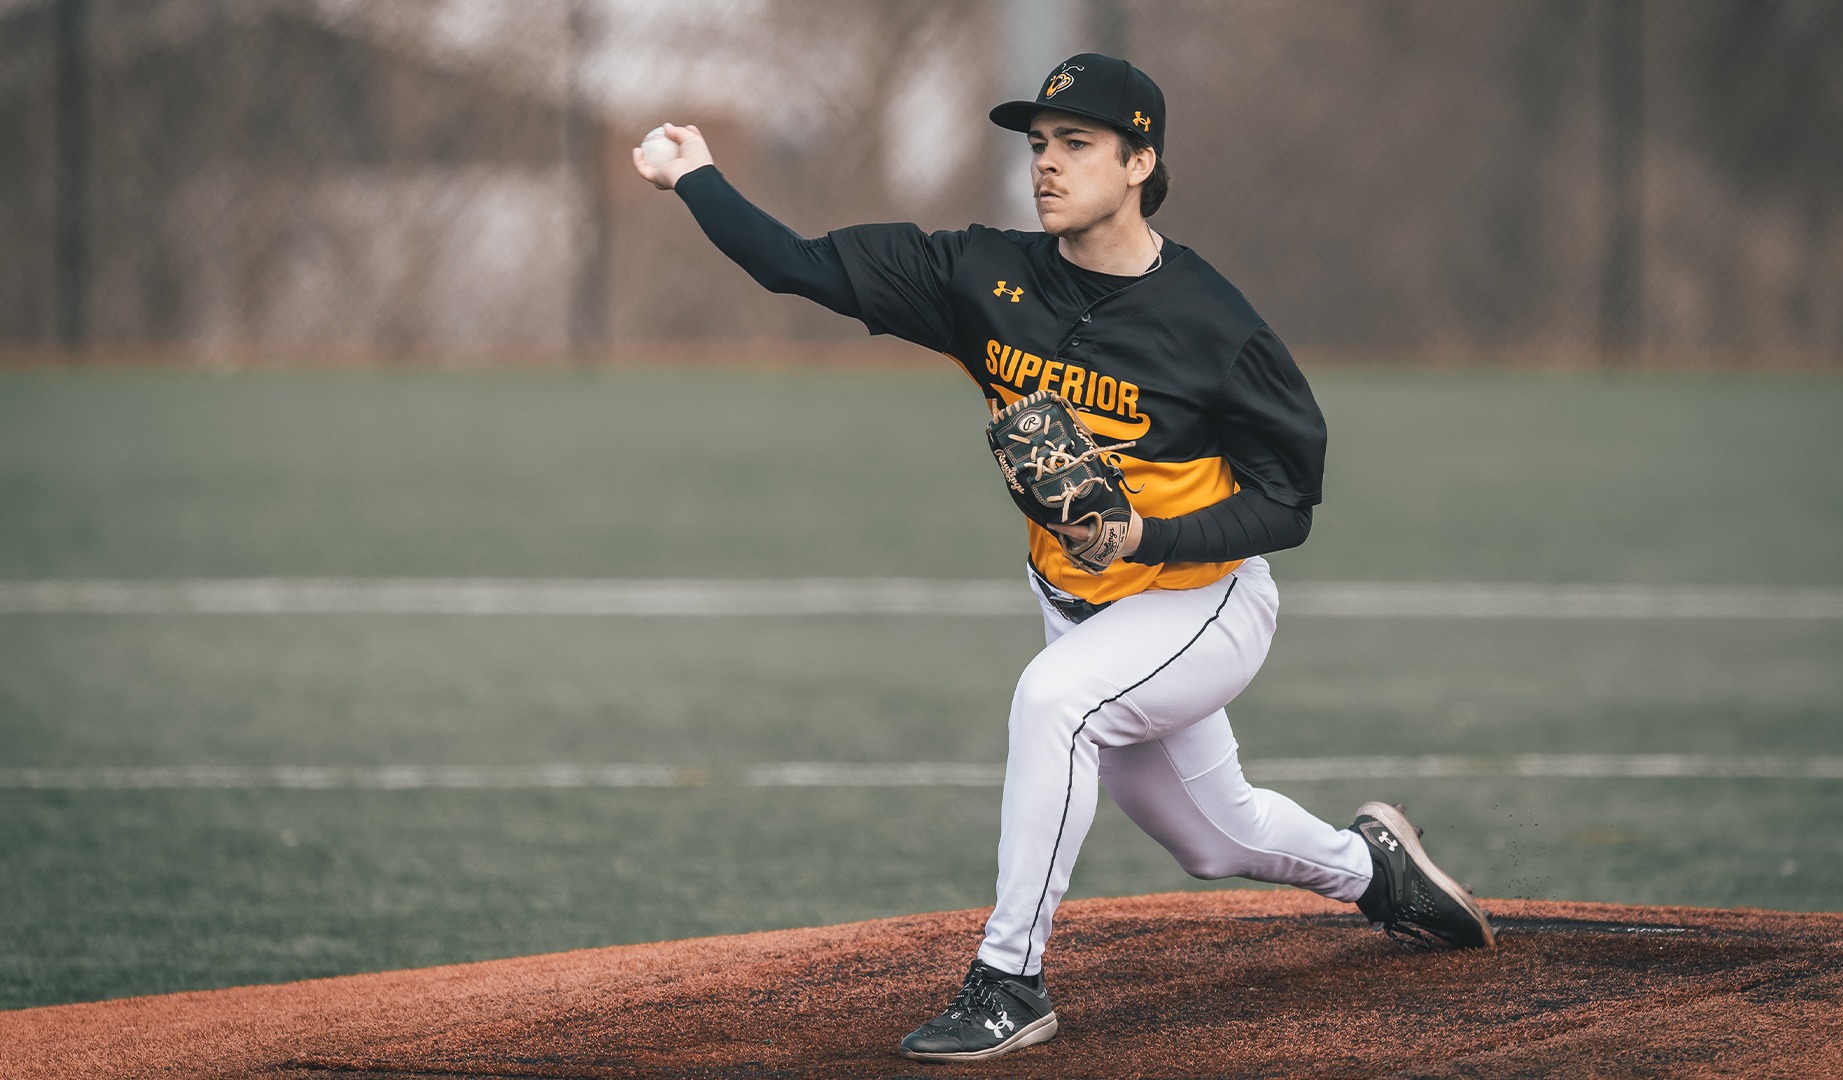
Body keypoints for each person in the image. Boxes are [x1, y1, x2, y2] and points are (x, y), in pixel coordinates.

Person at [634, 52, 1494, 1064]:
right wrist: (695, 175)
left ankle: (1008, 981)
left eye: (1076, 144)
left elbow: (1288, 503)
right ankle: (1374, 869)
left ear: (1140, 161)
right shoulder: (980, 276)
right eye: (1038, 144)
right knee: (1214, 838)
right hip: (1080, 603)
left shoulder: (1215, 324)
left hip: (1201, 601)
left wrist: (1152, 537)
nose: (1047, 163)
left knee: (1054, 702)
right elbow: (799, 264)